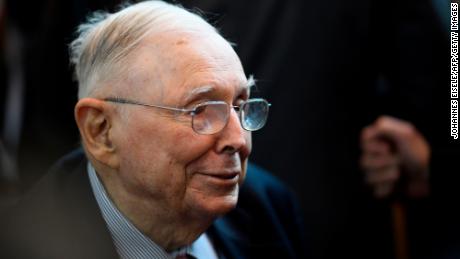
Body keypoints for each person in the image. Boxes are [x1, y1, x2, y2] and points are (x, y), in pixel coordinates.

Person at [0, 1, 305, 258]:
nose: (238, 140)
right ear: (101, 131)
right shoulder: (22, 245)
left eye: (241, 105)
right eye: (201, 111)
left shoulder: (268, 207)